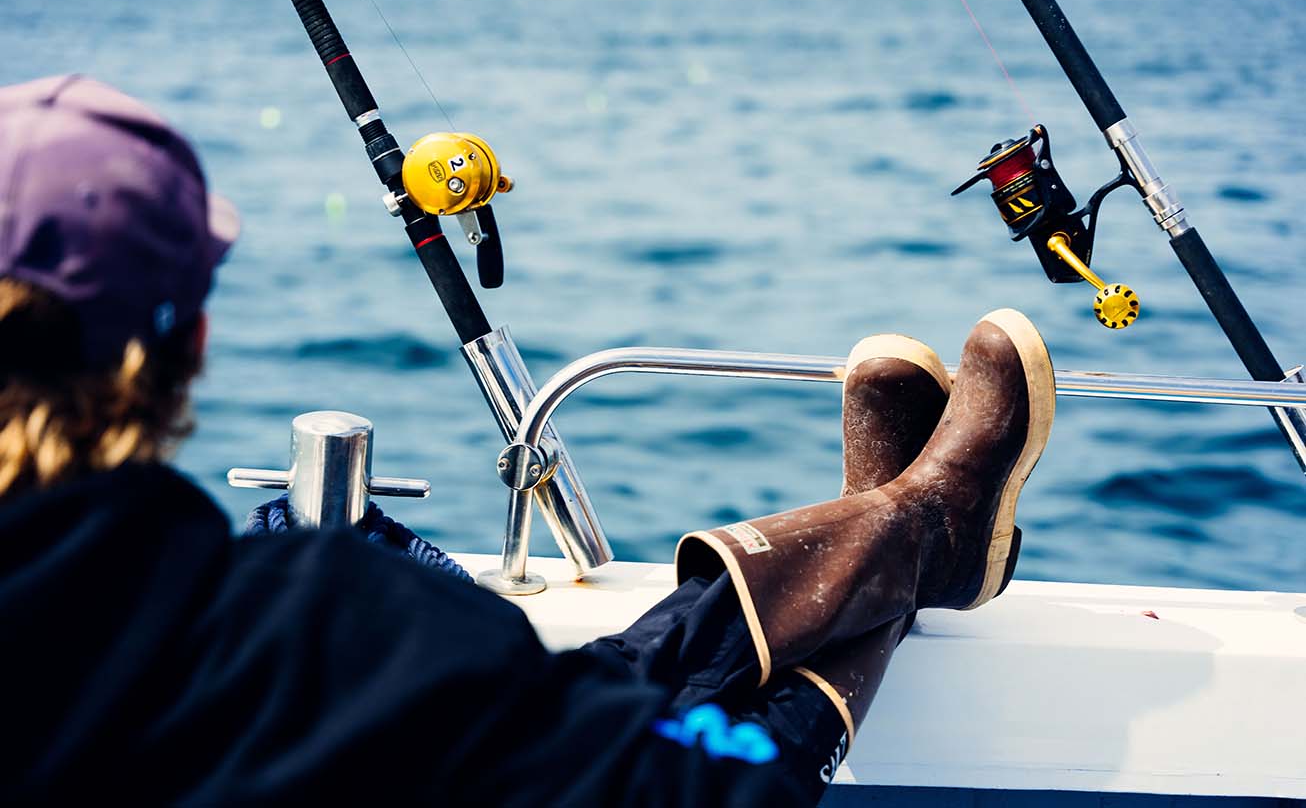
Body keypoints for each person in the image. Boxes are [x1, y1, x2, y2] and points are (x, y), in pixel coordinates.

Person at [0, 75, 1054, 806]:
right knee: (573, 717)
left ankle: (907, 537)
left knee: (556, 701)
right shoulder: (306, 632)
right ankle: (918, 531)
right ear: (190, 339)